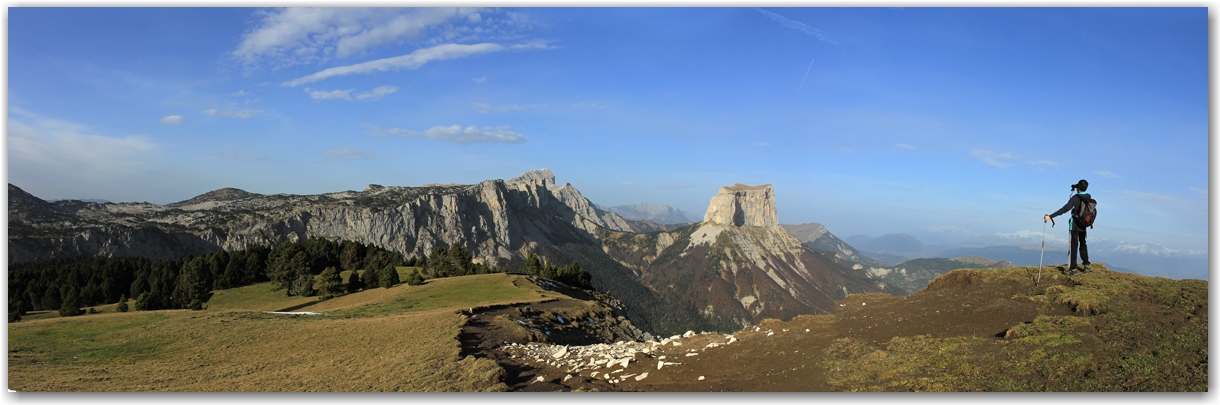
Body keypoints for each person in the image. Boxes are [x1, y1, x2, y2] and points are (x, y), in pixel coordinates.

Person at [1044, 179, 1092, 275]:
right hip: (1084, 225)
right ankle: (1087, 265)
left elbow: (1065, 209)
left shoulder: (1075, 198)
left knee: (1073, 246)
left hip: (1074, 226)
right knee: (1083, 244)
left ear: (1078, 188)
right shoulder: (1088, 198)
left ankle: (1073, 269)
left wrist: (1051, 216)